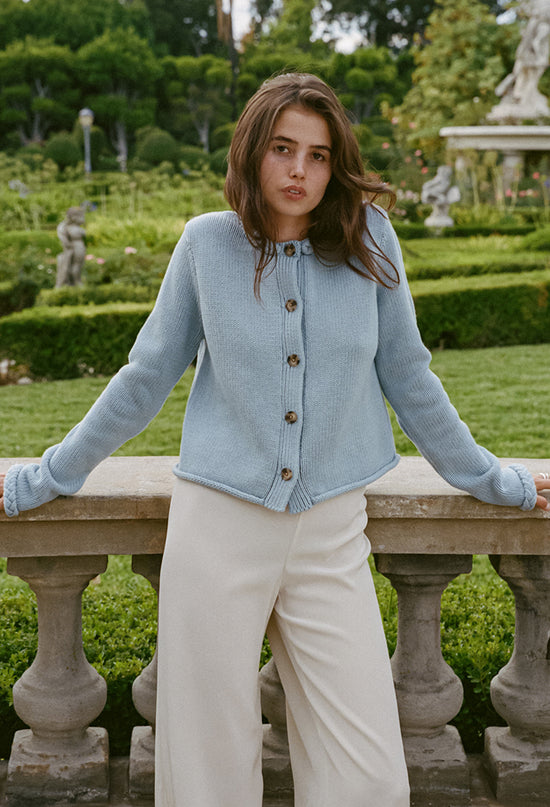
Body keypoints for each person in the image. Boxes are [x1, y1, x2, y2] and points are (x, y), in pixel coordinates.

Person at [0, 73, 549, 807]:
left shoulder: (370, 241)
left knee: (368, 772)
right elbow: (142, 380)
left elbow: (411, 380)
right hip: (217, 524)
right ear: (252, 152)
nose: (300, 170)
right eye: (284, 148)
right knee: (205, 764)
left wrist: (494, 479)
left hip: (331, 528)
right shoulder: (205, 245)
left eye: (319, 155)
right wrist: (41, 479)